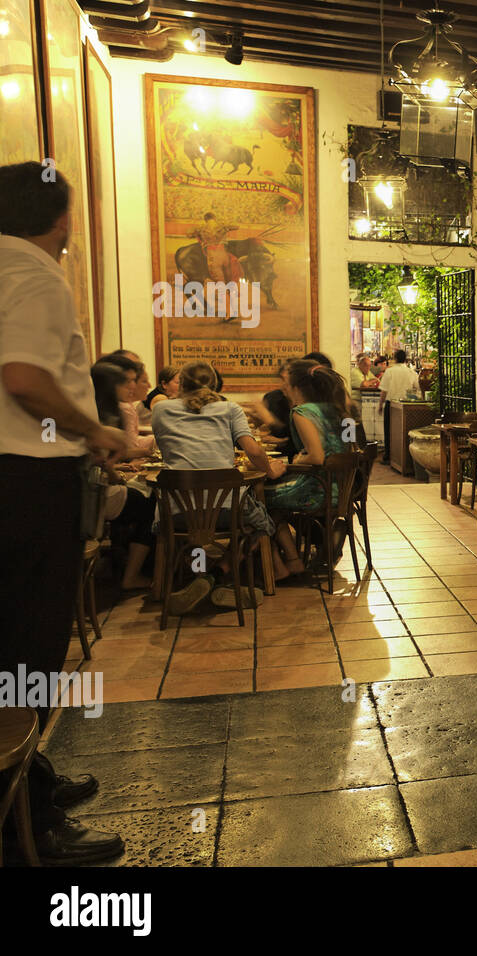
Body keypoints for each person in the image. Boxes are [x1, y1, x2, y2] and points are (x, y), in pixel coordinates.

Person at [0, 160, 127, 863]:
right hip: (24, 483)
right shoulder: (35, 270)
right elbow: (24, 377)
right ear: (60, 220)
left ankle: (29, 779)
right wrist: (96, 430)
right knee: (27, 649)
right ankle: (30, 826)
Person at [152, 362, 303, 605]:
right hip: (226, 509)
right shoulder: (229, 409)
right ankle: (217, 575)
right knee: (261, 525)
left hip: (175, 511)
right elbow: (253, 450)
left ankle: (197, 578)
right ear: (213, 385)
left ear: (182, 385)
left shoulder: (161, 410)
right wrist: (270, 471)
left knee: (192, 533)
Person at [90, 362, 158, 591]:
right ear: (111, 386)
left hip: (91, 491)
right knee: (151, 506)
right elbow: (100, 460)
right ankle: (132, 576)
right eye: (125, 382)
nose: (131, 386)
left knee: (138, 497)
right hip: (95, 495)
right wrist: (116, 474)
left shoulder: (93, 409)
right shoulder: (105, 415)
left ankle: (121, 560)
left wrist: (115, 470)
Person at [264, 359, 349, 515]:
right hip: (345, 489)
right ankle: (323, 534)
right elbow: (348, 448)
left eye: (286, 383)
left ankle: (288, 539)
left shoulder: (302, 412)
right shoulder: (339, 408)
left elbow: (317, 457)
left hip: (320, 490)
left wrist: (299, 460)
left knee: (257, 498)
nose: (283, 388)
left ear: (295, 388)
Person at [378, 349, 419, 464]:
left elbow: (384, 391)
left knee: (389, 431)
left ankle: (388, 457)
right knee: (404, 431)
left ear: (395, 359)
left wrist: (380, 405)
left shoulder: (389, 372)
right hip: (407, 405)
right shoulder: (411, 372)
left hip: (391, 404)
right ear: (405, 359)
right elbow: (417, 388)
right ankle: (404, 458)